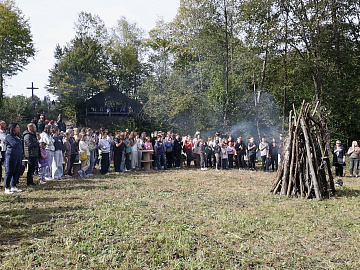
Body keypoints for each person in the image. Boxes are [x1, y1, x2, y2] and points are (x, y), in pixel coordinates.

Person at [4, 123, 23, 194]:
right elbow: (14, 144)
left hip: (18, 155)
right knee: (9, 171)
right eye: (17, 127)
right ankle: (6, 187)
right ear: (13, 128)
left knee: (16, 171)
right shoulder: (9, 136)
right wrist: (19, 140)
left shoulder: (16, 136)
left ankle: (13, 186)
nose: (19, 128)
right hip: (11, 155)